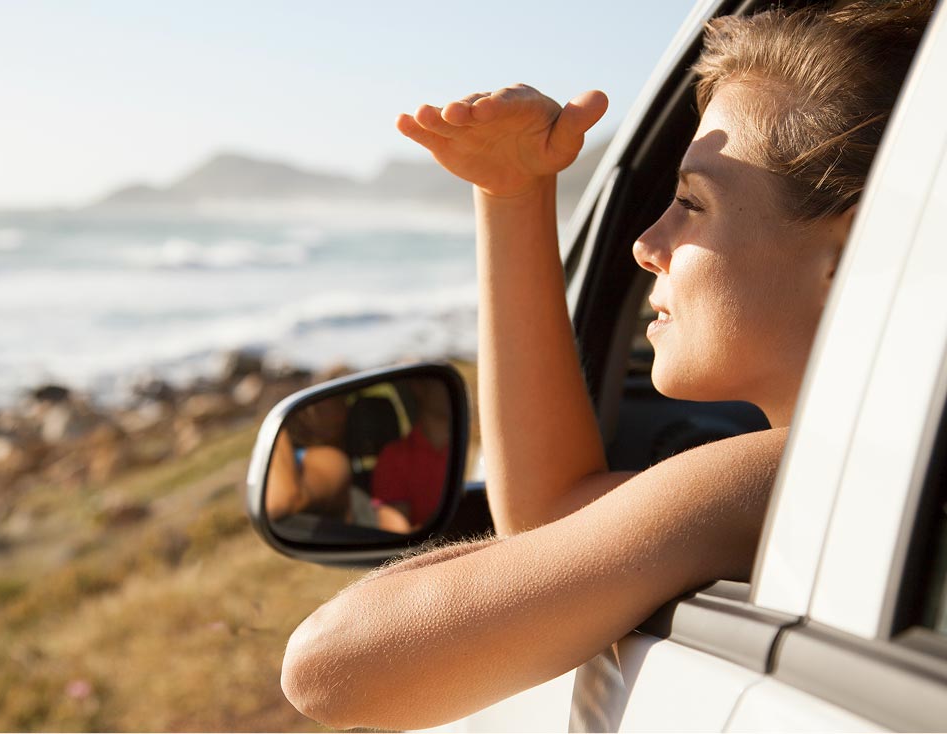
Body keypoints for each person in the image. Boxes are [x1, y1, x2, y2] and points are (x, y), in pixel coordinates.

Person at [279, 1, 933, 730]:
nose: (646, 243)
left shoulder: (788, 474)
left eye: (691, 202)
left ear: (847, 257)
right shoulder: (876, 476)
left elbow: (328, 667)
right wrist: (513, 196)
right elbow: (553, 515)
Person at [370, 378, 453, 531]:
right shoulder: (394, 457)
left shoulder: (476, 448)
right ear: (418, 387)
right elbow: (399, 533)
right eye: (443, 382)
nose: (452, 390)